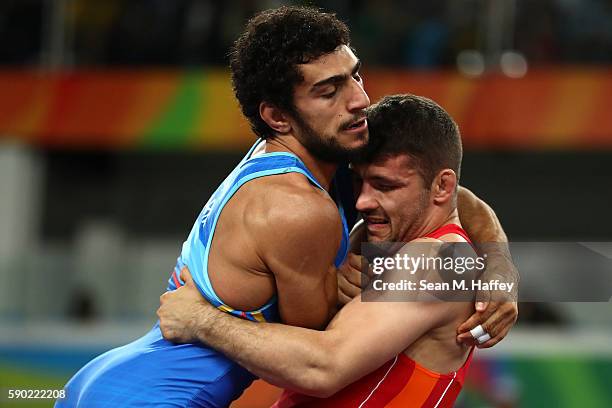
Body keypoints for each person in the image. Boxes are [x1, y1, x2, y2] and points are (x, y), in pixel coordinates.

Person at [157, 94, 519, 407]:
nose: (361, 201)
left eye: (384, 185)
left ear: (441, 187)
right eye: (357, 181)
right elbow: (463, 201)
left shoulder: (433, 261)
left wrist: (200, 320)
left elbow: (323, 368)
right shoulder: (395, 239)